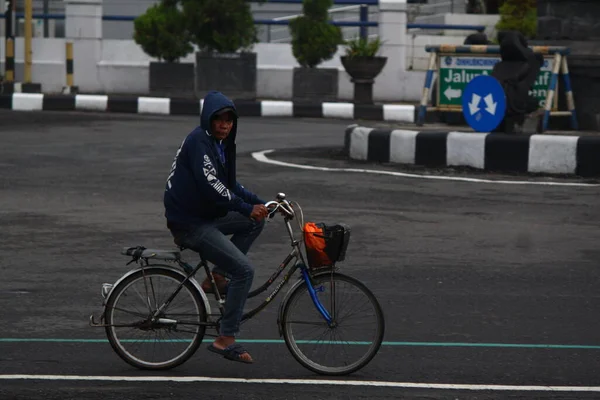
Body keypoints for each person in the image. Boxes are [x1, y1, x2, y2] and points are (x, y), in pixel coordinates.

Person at [163, 90, 269, 364]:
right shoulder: (200, 141)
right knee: (244, 270)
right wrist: (246, 207)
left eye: (229, 120)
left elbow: (231, 186)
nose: (224, 125)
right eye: (218, 119)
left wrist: (262, 204)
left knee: (255, 222)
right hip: (190, 221)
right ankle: (226, 338)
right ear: (208, 119)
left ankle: (217, 278)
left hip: (203, 214)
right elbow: (212, 187)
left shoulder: (221, 144)